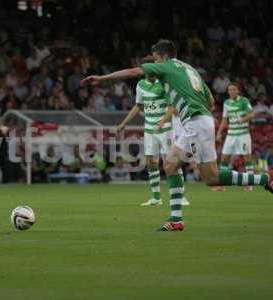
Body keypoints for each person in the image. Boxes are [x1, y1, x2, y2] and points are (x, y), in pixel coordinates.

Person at [81, 39, 272, 231]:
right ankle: (264, 180)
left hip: (195, 124)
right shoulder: (189, 69)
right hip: (204, 121)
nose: (154, 62)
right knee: (211, 177)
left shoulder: (166, 66)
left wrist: (102, 79)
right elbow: (211, 101)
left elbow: (133, 72)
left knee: (171, 165)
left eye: (154, 57)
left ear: (161, 55)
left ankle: (176, 219)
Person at [117, 62, 189, 207]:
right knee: (151, 163)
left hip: (166, 129)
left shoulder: (164, 84)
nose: (150, 73)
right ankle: (156, 198)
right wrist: (124, 123)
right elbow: (138, 106)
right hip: (149, 129)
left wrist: (162, 121)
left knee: (171, 162)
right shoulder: (140, 85)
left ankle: (180, 196)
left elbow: (171, 107)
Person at [215, 83, 254, 192]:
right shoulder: (226, 103)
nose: (231, 91)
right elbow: (224, 119)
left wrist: (242, 119)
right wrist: (219, 132)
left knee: (247, 158)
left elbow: (251, 114)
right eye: (229, 90)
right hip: (231, 135)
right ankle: (221, 184)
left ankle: (250, 183)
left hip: (243, 134)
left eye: (233, 89)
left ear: (238, 91)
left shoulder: (244, 101)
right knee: (224, 158)